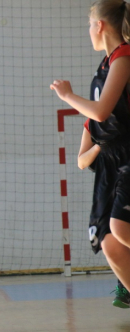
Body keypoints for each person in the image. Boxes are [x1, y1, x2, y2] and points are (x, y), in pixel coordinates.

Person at [51, 0, 130, 307]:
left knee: (119, 227)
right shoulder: (106, 66)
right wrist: (99, 145)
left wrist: (68, 95)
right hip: (113, 164)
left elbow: (100, 112)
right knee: (111, 244)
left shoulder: (123, 56)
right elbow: (86, 147)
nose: (88, 31)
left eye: (89, 25)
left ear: (100, 26)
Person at [78, 120, 130, 308]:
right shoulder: (92, 123)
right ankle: (123, 285)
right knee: (111, 239)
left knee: (121, 230)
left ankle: (123, 287)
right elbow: (81, 162)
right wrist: (100, 146)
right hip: (110, 185)